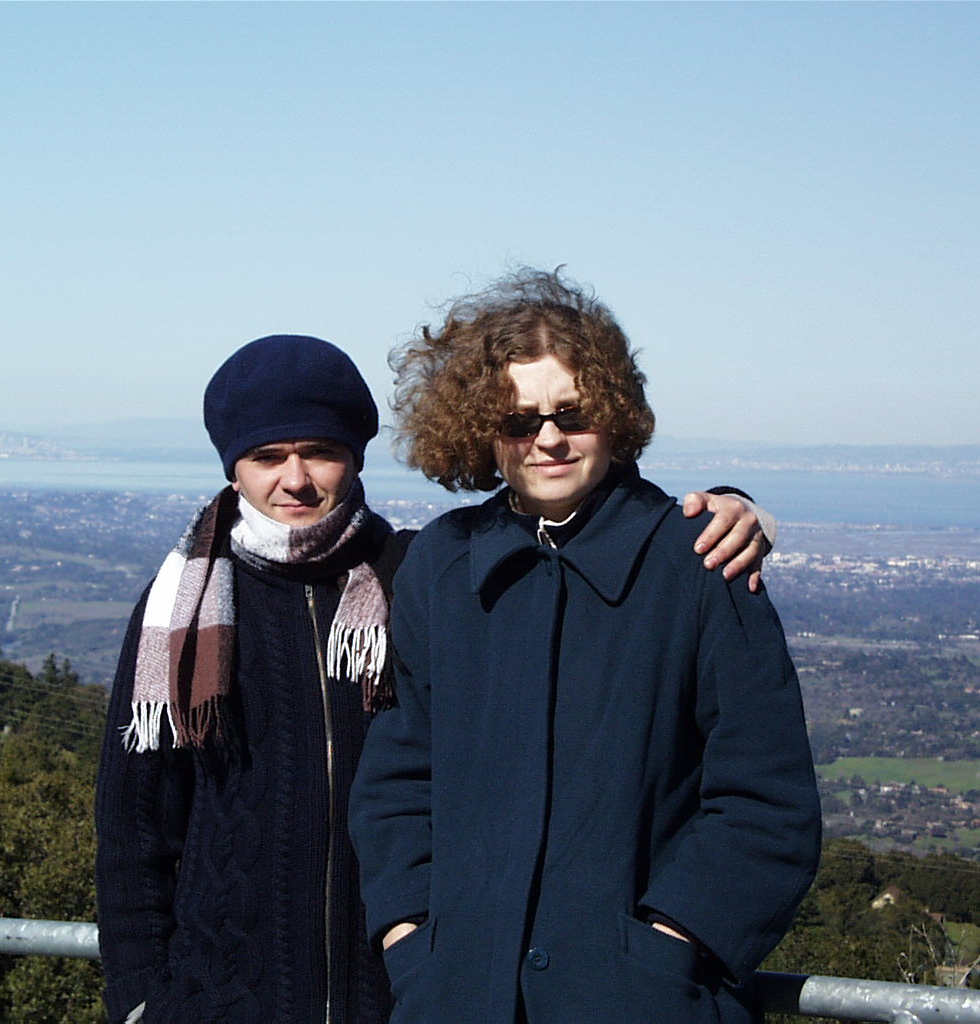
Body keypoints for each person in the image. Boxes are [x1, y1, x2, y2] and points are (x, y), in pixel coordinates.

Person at [95, 333, 775, 1024]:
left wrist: (733, 510)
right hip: (220, 1002)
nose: (294, 478)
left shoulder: (419, 573)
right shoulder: (178, 616)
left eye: (320, 452)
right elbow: (133, 830)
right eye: (267, 457)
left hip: (400, 997)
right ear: (233, 469)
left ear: (354, 458)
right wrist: (142, 998)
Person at [349, 272, 821, 1024]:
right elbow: (398, 781)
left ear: (615, 411)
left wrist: (667, 951)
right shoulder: (442, 564)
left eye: (573, 413)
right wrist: (412, 940)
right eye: (517, 420)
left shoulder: (700, 563)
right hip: (460, 999)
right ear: (479, 429)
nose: (548, 439)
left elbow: (766, 801)